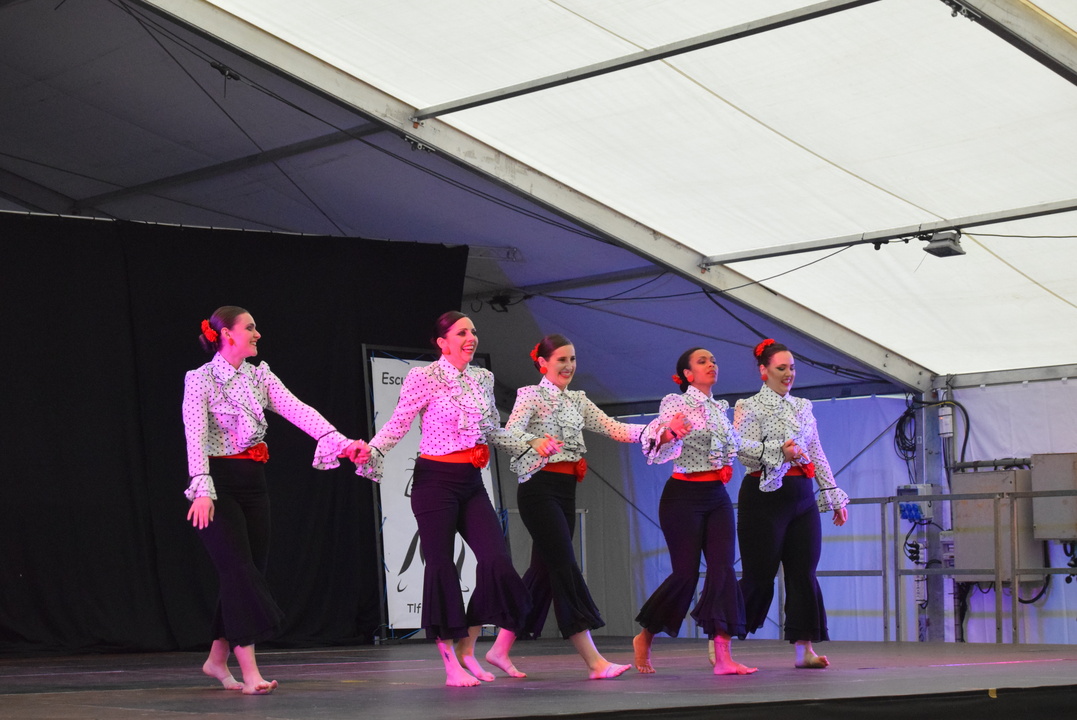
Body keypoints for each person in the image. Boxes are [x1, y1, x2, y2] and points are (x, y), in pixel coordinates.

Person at [353, 311, 557, 687]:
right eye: (462, 332)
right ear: (442, 342)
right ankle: (450, 664)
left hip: (471, 482)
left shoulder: (482, 378)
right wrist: (373, 449)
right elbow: (399, 422)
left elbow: (492, 430)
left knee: (496, 561)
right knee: (442, 567)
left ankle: (468, 648)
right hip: (435, 482)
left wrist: (530, 441)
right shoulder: (424, 377)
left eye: (473, 331)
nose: (471, 337)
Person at [182, 306, 366, 695]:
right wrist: (201, 488)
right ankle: (250, 671)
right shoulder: (200, 379)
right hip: (218, 485)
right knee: (239, 572)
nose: (257, 334)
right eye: (250, 328)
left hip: (253, 484)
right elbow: (194, 435)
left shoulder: (259, 376)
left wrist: (340, 442)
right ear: (227, 334)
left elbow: (298, 410)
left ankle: (216, 659)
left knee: (249, 572)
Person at [502, 335, 689, 679]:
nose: (569, 366)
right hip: (538, 489)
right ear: (542, 363)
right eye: (561, 359)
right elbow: (509, 433)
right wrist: (535, 439)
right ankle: (594, 661)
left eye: (572, 359)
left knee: (544, 571)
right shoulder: (530, 395)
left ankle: (499, 649)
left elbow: (615, 429)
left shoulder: (578, 400)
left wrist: (661, 433)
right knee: (564, 567)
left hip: (565, 491)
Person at [633, 348, 757, 676]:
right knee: (685, 576)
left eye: (714, 360)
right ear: (688, 375)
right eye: (702, 362)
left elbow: (737, 445)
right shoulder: (675, 403)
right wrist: (670, 432)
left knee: (723, 570)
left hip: (717, 496)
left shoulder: (720, 408)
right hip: (683, 496)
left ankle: (723, 656)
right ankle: (646, 635)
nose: (711, 364)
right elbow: (661, 440)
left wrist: (775, 452)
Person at [733, 339, 849, 669]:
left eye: (792, 368)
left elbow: (816, 451)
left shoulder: (803, 406)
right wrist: (779, 453)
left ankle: (804, 650)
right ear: (764, 371)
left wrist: (832, 494)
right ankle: (721, 635)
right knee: (759, 576)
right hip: (764, 494)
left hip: (801, 494)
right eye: (781, 368)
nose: (789, 374)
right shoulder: (749, 406)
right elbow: (742, 451)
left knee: (803, 573)